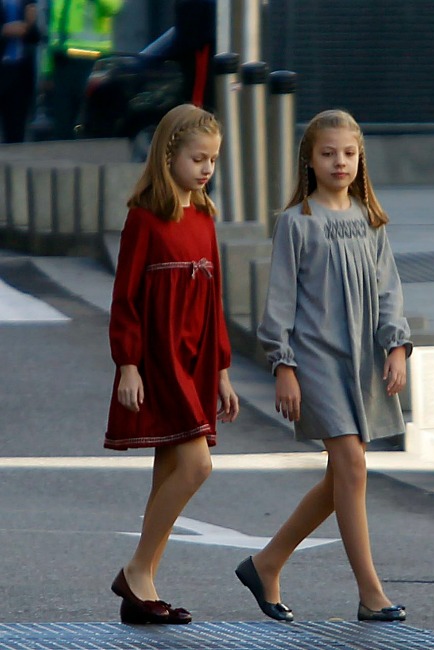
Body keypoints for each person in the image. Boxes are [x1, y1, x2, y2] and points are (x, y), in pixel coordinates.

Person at [235, 109, 411, 623]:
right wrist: (282, 365)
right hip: (314, 359)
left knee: (343, 476)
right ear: (309, 160)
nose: (340, 162)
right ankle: (370, 593)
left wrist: (396, 346)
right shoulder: (297, 222)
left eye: (349, 153)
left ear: (361, 158)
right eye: (328, 153)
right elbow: (280, 302)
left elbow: (388, 290)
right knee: (352, 467)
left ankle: (265, 564)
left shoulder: (369, 219)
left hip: (362, 358)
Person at [104, 103, 239, 624]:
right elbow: (126, 297)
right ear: (168, 155)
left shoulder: (204, 217)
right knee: (196, 464)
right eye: (197, 157)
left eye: (212, 159)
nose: (206, 168)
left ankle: (143, 584)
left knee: (171, 467)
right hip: (159, 358)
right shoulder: (144, 218)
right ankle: (137, 571)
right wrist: (128, 363)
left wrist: (223, 368)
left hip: (197, 357)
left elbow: (214, 298)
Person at [42, 0, 124, 139]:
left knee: (91, 118)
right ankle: (63, 157)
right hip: (63, 61)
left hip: (91, 59)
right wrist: (47, 71)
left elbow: (114, 7)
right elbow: (53, 33)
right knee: (62, 121)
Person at [0, 0, 40, 143]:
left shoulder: (26, 2)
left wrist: (31, 25)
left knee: (16, 132)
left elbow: (35, 38)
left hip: (19, 73)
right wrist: (3, 31)